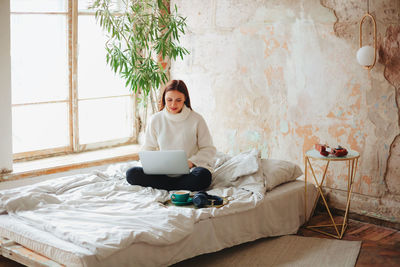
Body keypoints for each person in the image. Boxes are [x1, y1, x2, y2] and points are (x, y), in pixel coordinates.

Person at [126, 80, 216, 191]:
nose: (173, 104)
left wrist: (192, 162)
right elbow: (148, 148)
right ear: (164, 98)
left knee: (203, 176)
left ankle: (167, 187)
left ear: (185, 99)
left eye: (178, 100)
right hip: (162, 173)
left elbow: (208, 149)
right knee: (132, 174)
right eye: (169, 100)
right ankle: (177, 187)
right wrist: (155, 165)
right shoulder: (156, 119)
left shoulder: (196, 119)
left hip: (189, 172)